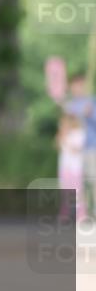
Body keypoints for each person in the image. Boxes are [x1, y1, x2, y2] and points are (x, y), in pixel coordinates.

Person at [62, 72, 96, 219]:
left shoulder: (91, 101)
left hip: (91, 147)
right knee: (77, 183)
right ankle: (82, 213)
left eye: (80, 85)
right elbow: (64, 127)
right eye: (74, 86)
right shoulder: (69, 106)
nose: (77, 88)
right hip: (73, 153)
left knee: (93, 180)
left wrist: (90, 114)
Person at [56, 113, 87, 221]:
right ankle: (65, 213)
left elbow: (77, 149)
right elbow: (57, 145)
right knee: (65, 190)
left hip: (75, 167)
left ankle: (81, 214)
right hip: (65, 166)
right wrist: (62, 135)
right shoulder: (64, 134)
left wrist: (66, 139)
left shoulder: (79, 133)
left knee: (78, 191)